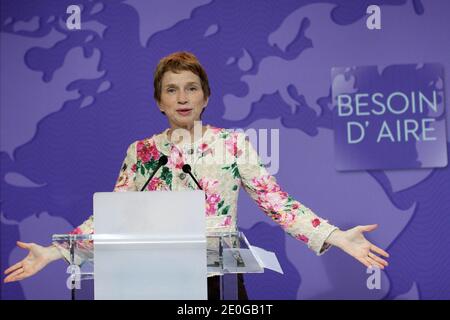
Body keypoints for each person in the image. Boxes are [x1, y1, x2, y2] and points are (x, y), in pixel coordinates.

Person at [3, 51, 389, 299]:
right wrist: (55, 252)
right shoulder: (142, 153)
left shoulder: (234, 144)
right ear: (159, 101)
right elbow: (112, 217)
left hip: (215, 281)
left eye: (191, 88)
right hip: (152, 280)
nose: (182, 98)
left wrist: (338, 237)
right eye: (172, 90)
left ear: (206, 96)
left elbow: (278, 205)